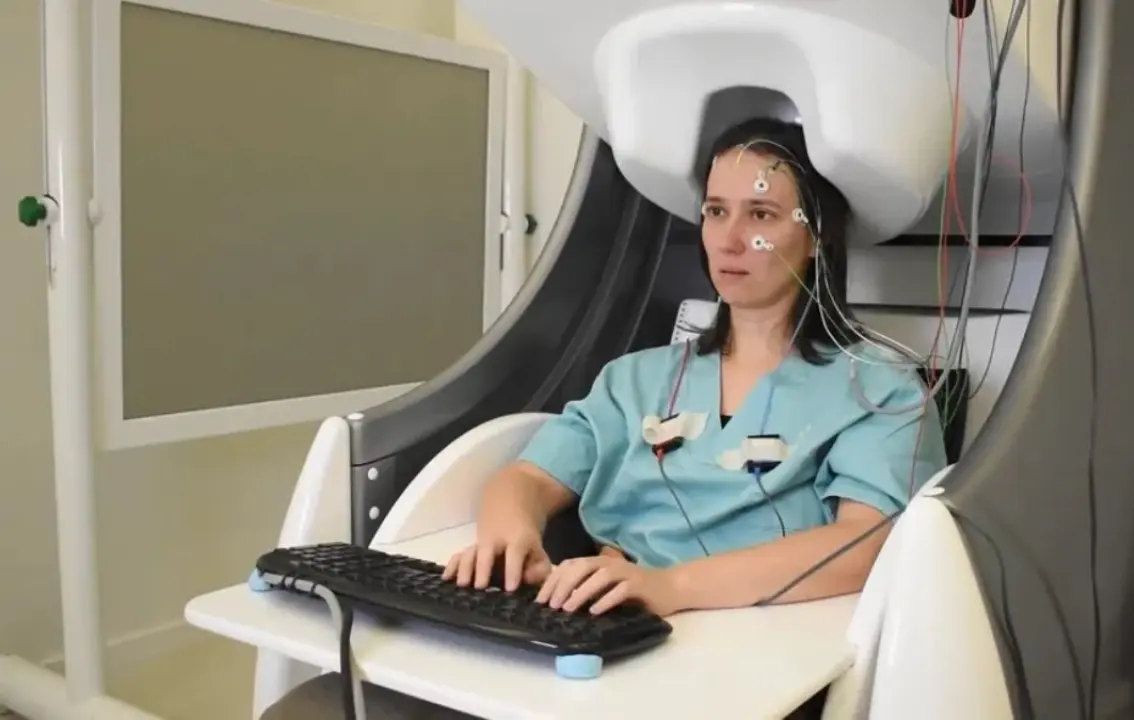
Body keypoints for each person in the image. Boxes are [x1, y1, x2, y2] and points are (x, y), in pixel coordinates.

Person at [261, 118, 948, 720]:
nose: (730, 240)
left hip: (750, 670)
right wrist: (512, 537)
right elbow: (528, 477)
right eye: (715, 211)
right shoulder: (636, 379)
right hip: (603, 646)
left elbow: (865, 546)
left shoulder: (879, 389)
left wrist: (669, 588)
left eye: (761, 215)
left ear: (818, 234)